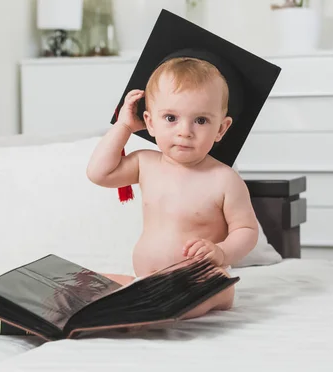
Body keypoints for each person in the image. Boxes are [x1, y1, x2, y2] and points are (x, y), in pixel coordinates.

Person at [86, 10, 281, 319]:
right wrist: (123, 127)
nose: (184, 130)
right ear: (149, 121)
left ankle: (160, 309)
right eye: (171, 118)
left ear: (222, 128)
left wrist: (221, 253)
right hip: (149, 282)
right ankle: (141, 304)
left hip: (201, 280)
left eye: (201, 120)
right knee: (89, 285)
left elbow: (246, 230)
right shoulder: (146, 163)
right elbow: (98, 173)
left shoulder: (223, 179)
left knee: (214, 285)